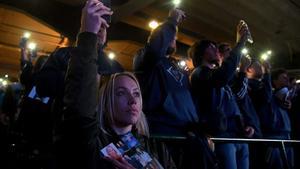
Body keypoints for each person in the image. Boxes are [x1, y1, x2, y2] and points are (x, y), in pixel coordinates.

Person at [56, 1, 173, 169]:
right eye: (120, 93)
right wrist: (88, 34)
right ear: (105, 100)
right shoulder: (92, 144)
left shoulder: (157, 148)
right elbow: (79, 108)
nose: (133, 101)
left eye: (136, 93)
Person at [133, 7, 218, 169]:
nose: (174, 37)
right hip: (165, 134)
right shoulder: (146, 59)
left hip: (189, 134)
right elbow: (154, 48)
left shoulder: (178, 68)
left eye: (174, 36)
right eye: (170, 35)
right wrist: (171, 21)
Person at [189, 21, 251, 169]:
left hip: (236, 135)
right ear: (200, 53)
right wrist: (241, 42)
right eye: (211, 47)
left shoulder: (216, 76)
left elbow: (235, 97)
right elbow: (222, 76)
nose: (216, 49)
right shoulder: (199, 73)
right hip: (220, 137)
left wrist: (244, 125)